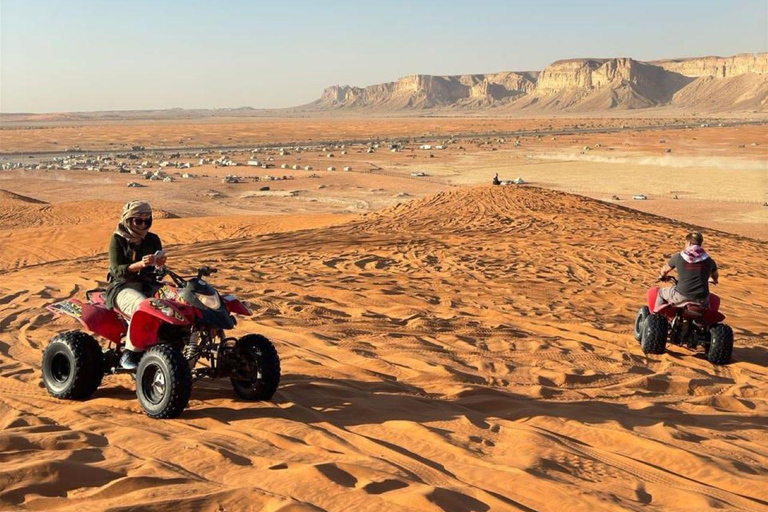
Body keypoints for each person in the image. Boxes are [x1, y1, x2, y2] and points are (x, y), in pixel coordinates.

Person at [105, 201, 166, 369]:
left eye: (147, 220)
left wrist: (159, 264)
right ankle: (129, 353)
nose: (143, 225)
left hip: (149, 284)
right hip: (123, 286)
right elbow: (116, 270)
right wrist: (140, 264)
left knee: (177, 301)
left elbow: (157, 270)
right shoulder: (118, 239)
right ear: (128, 220)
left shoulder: (152, 239)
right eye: (139, 221)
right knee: (143, 307)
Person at [657, 231, 718, 310]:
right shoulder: (709, 260)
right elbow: (715, 276)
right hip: (702, 299)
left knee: (660, 293)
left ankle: (656, 315)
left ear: (689, 243)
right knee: (711, 304)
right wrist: (713, 279)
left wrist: (662, 276)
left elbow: (664, 271)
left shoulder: (679, 257)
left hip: (681, 295)